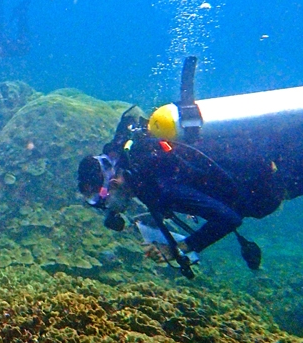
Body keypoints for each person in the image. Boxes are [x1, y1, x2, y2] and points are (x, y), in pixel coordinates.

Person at [77, 93, 296, 278]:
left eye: (102, 200)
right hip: (270, 148)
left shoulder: (162, 189)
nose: (109, 208)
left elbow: (229, 218)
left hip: (282, 172)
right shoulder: (140, 156)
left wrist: (179, 249)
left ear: (113, 183)